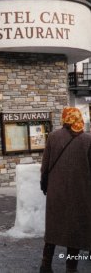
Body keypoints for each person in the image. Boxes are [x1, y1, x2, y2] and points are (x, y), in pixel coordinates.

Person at [40, 107, 91, 273]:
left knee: (53, 229)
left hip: (56, 192)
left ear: (64, 119)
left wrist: (44, 184)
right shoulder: (88, 140)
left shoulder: (53, 137)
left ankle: (46, 265)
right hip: (81, 193)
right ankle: (71, 268)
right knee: (74, 232)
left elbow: (45, 166)